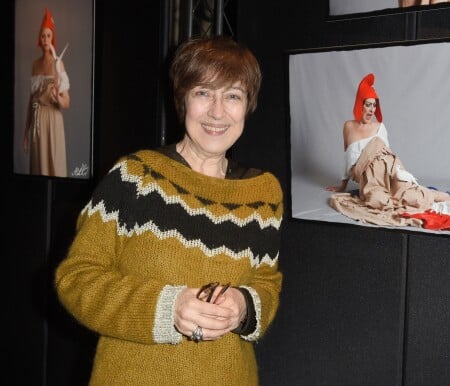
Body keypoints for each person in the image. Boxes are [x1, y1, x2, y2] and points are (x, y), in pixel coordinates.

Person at [54, 36, 284, 385]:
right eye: (203, 92)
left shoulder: (263, 193)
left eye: (233, 95)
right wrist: (167, 308)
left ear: (247, 105)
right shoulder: (135, 177)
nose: (217, 111)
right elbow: (76, 279)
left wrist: (245, 306)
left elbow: (267, 283)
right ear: (183, 100)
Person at [326, 73, 450, 232]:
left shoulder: (379, 127)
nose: (371, 110)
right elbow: (347, 155)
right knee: (376, 202)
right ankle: (399, 193)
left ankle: (436, 195)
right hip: (370, 180)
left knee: (411, 196)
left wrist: (399, 174)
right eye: (367, 105)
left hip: (389, 170)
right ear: (360, 104)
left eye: (374, 106)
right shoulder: (348, 127)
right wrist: (343, 185)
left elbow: (387, 155)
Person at [23, 8, 70, 177]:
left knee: (53, 167)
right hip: (37, 121)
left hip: (53, 119)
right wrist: (25, 134)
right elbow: (31, 99)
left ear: (52, 38)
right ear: (39, 38)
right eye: (42, 35)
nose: (45, 39)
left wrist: (57, 96)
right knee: (38, 169)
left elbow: (66, 102)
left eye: (48, 35)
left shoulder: (59, 64)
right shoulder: (35, 65)